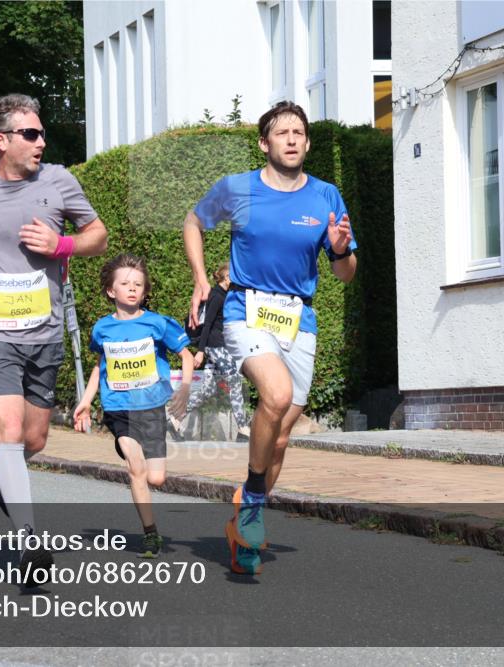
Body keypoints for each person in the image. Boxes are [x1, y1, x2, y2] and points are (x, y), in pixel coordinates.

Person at [0, 93, 108, 584]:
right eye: (31, 134)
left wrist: (63, 244)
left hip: (44, 328)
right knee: (8, 426)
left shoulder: (59, 181)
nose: (41, 142)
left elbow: (99, 234)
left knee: (33, 438)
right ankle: (29, 543)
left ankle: (0, 465)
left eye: (42, 134)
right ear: (2, 140)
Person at [183, 101, 357, 575]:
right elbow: (193, 222)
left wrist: (340, 251)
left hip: (299, 320)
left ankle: (242, 524)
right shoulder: (237, 188)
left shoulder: (325, 196)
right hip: (247, 309)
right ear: (265, 143)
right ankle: (256, 502)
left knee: (278, 439)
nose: (293, 139)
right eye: (282, 133)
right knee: (275, 395)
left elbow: (345, 274)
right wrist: (202, 279)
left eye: (299, 132)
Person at [73, 254, 194, 558]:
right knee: (135, 467)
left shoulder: (157, 323)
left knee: (156, 478)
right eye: (125, 283)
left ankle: (150, 519)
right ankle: (150, 534)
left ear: (144, 290)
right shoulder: (102, 329)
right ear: (111, 291)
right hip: (118, 408)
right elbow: (100, 366)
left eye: (138, 284)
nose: (132, 288)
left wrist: (184, 390)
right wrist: (86, 402)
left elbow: (187, 356)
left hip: (152, 407)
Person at [169, 262, 251, 441]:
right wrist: (200, 351)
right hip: (216, 347)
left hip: (217, 347)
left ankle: (175, 419)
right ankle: (244, 428)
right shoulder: (216, 296)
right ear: (227, 277)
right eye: (234, 277)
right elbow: (206, 326)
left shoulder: (223, 295)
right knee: (235, 382)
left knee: (207, 391)